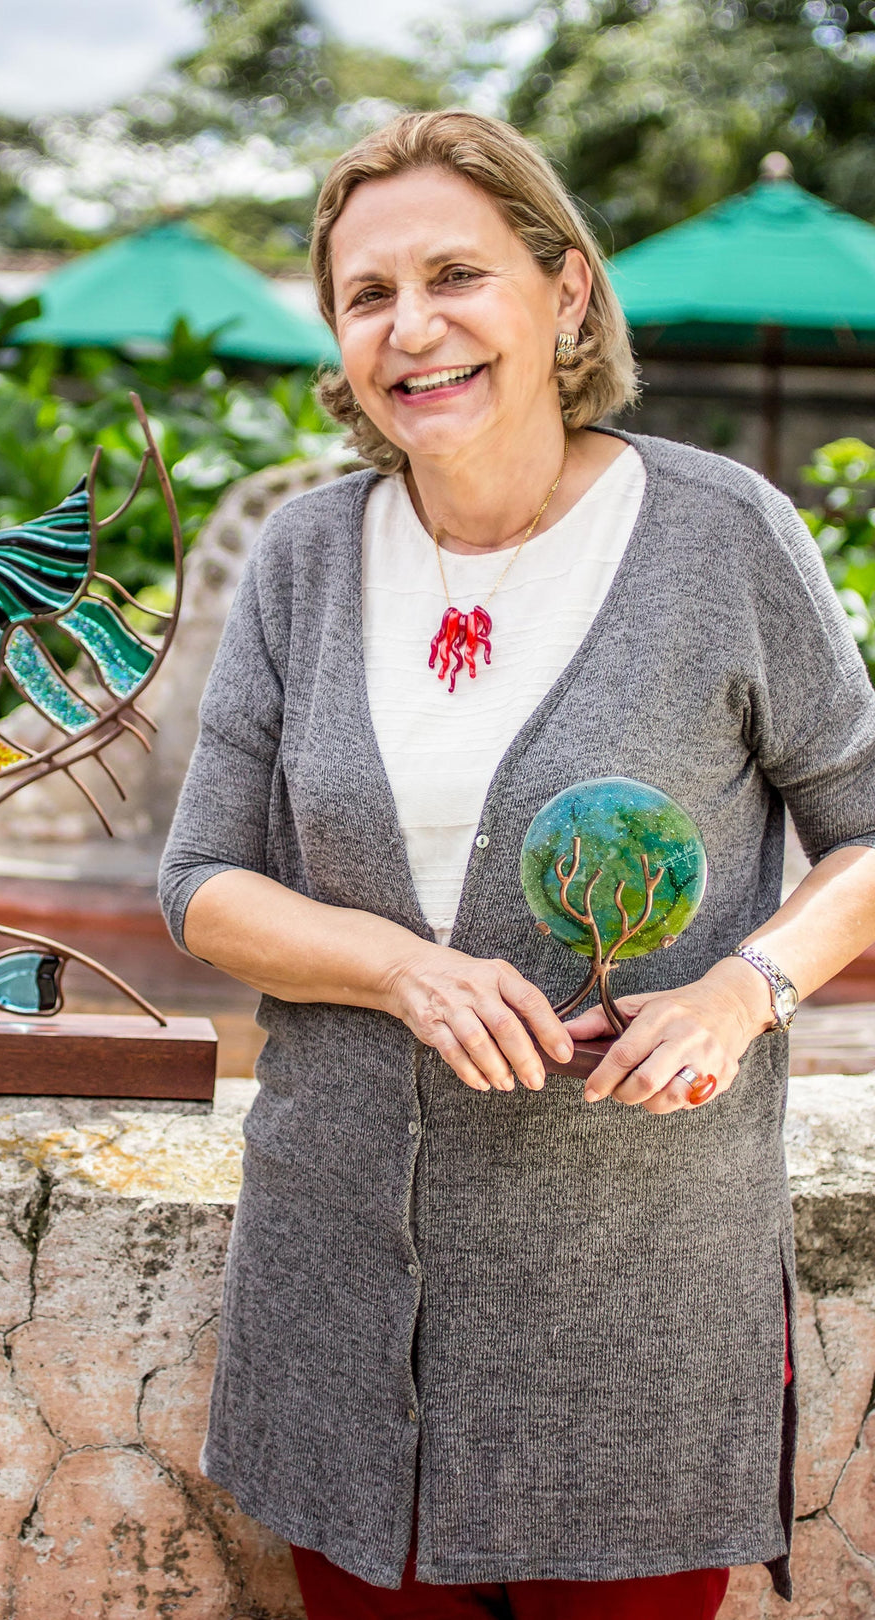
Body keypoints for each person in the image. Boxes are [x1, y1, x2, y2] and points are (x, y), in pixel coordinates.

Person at [159, 110, 875, 1618]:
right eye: (368, 295)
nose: (412, 328)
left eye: (457, 276)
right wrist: (404, 968)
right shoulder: (304, 557)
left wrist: (741, 992)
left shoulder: (720, 536)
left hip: (630, 1321)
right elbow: (203, 880)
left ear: (566, 295)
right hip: (344, 1309)